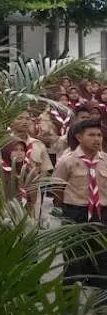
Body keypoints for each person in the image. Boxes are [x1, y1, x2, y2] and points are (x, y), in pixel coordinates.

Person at [53, 120, 107, 288]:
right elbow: (56, 188)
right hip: (76, 211)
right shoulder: (67, 161)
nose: (97, 139)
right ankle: (70, 298)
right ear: (78, 137)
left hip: (102, 212)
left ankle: (101, 299)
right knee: (74, 254)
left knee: (102, 254)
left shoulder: (105, 160)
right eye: (91, 135)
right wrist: (66, 209)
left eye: (99, 135)